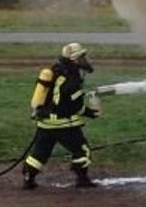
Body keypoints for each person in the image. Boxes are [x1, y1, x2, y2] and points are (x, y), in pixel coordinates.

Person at [22, 42, 102, 189]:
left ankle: (29, 179)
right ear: (74, 59)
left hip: (45, 122)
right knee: (82, 150)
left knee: (39, 154)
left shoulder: (56, 70)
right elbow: (74, 106)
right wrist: (89, 112)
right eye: (81, 57)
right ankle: (82, 179)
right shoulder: (72, 78)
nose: (84, 60)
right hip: (64, 125)